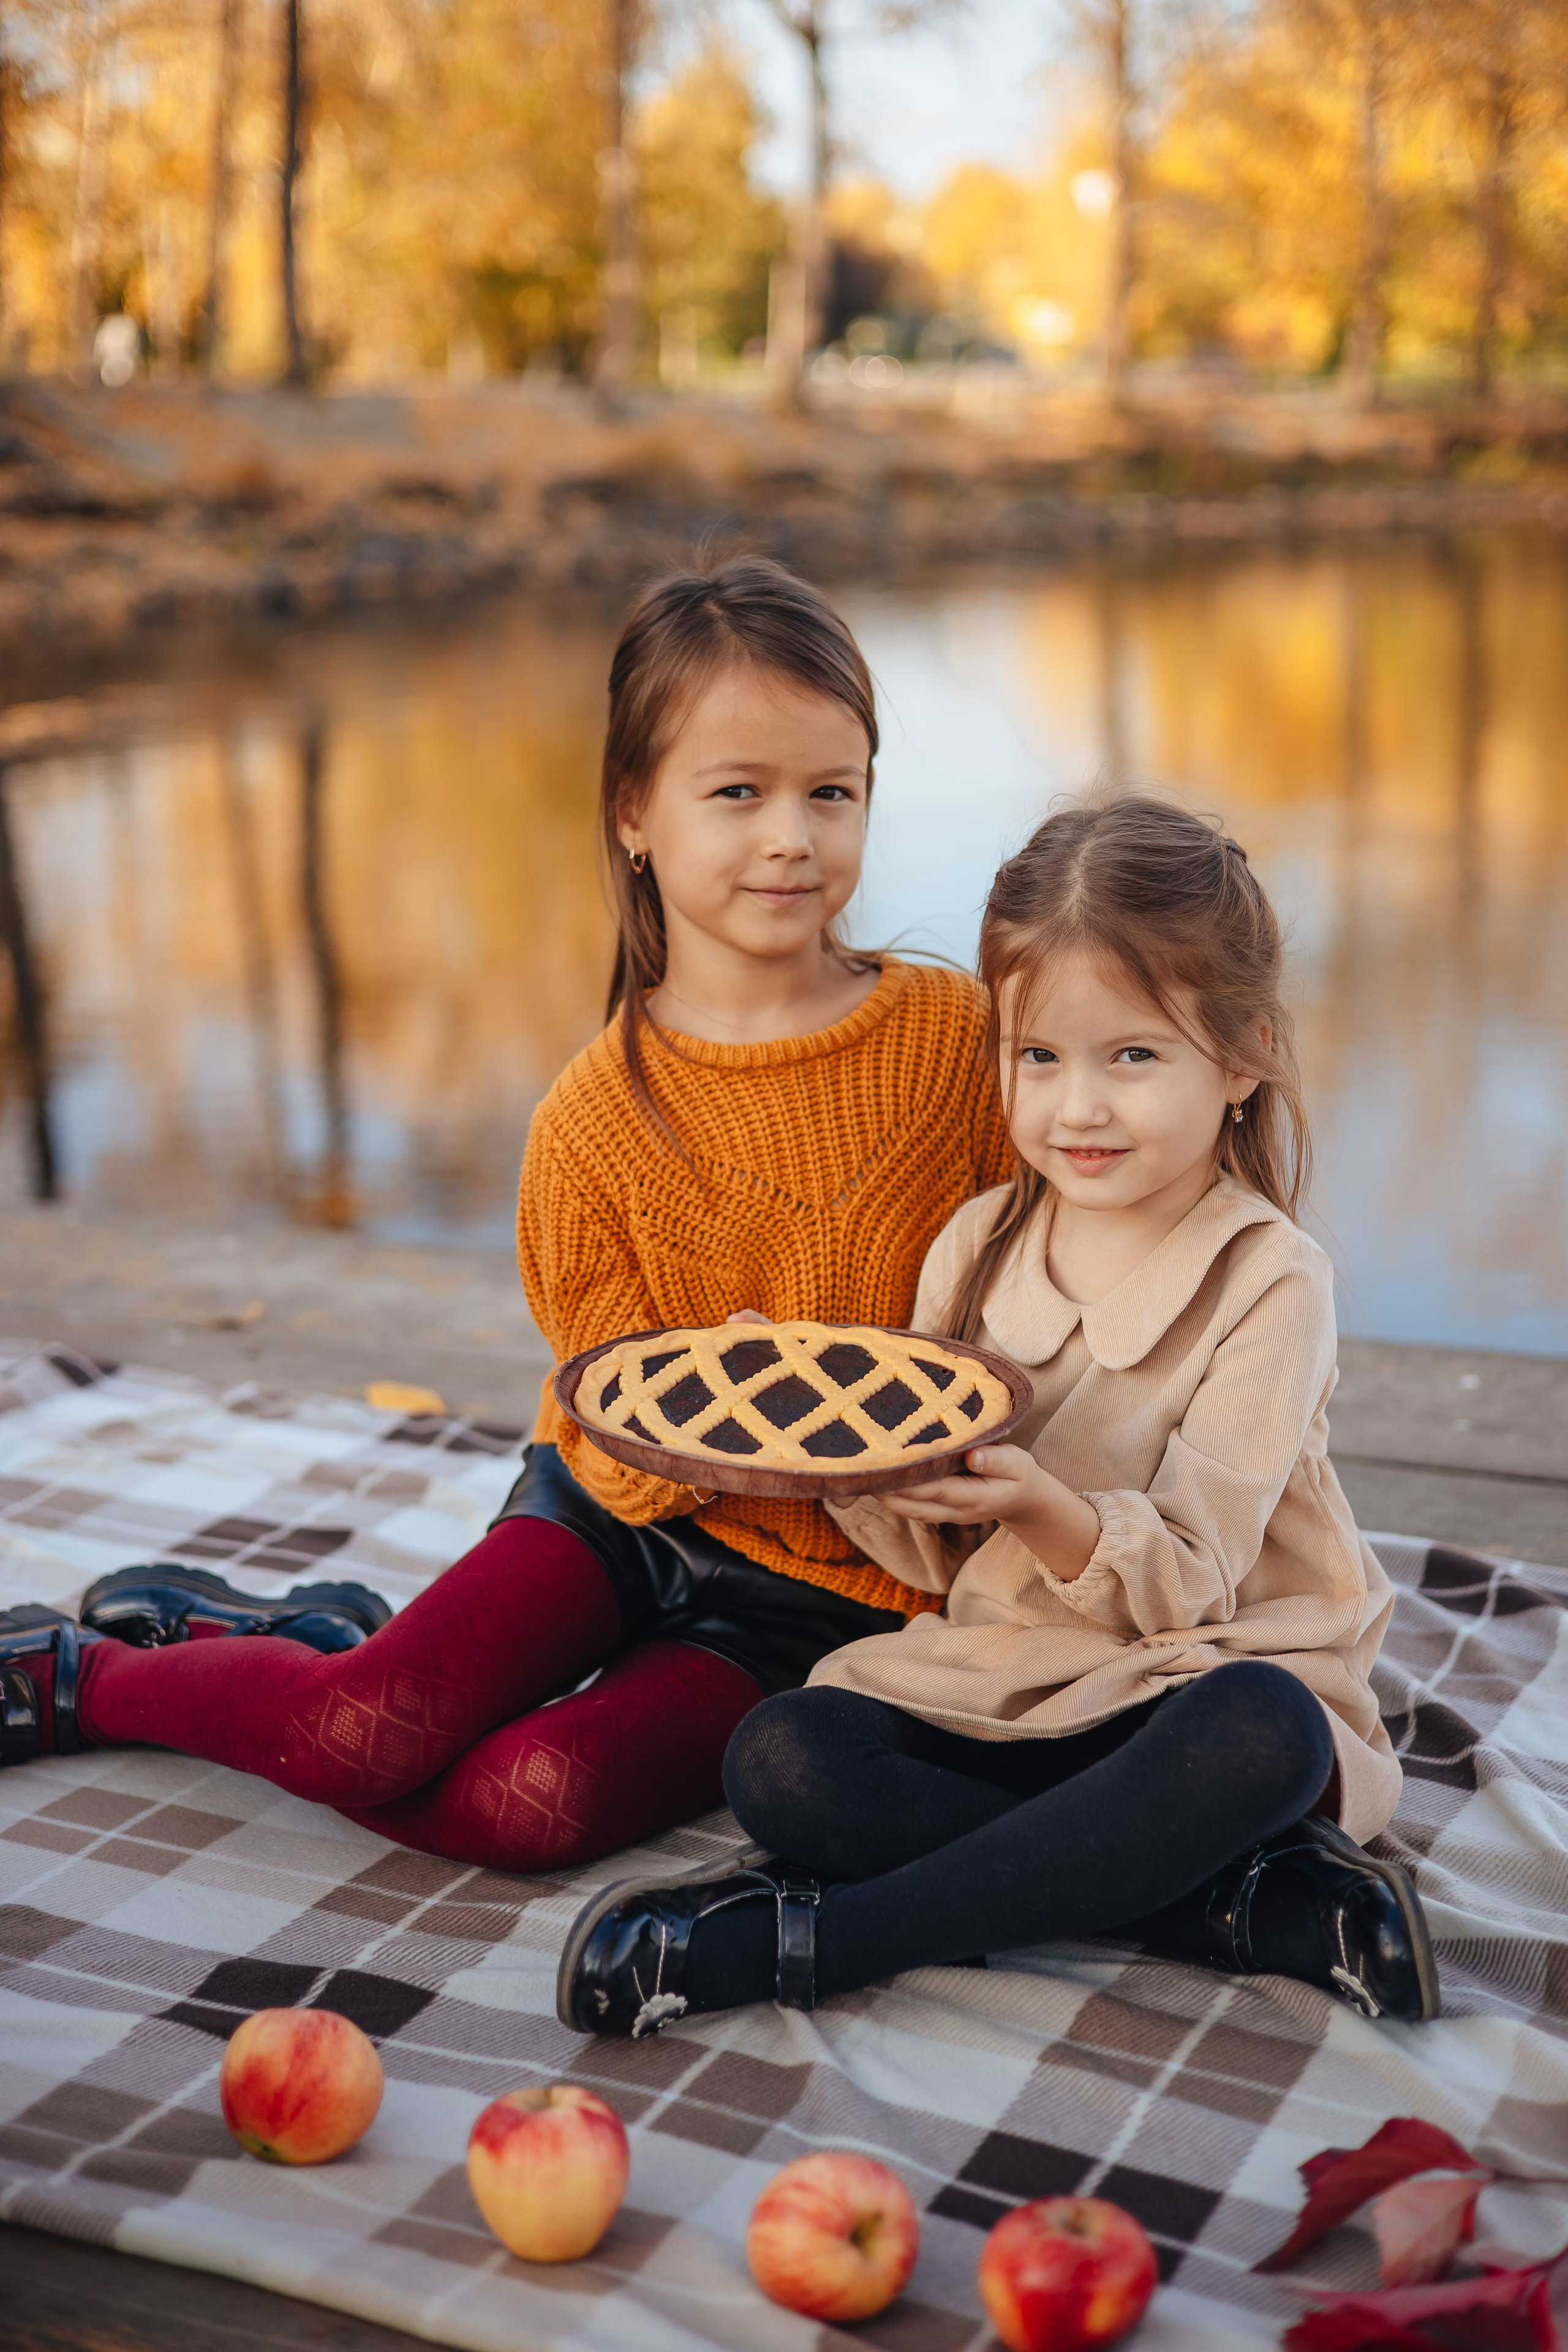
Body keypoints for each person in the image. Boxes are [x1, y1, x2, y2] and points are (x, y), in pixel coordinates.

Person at [0, 559, 1009, 1872]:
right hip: (612, 1518)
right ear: (634, 811)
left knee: (527, 1805)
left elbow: (1041, 1295)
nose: (791, 837)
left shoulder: (959, 1046)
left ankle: (305, 1645)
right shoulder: (592, 1120)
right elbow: (609, 1412)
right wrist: (727, 1402)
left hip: (823, 1597)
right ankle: (82, 1677)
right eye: (737, 794)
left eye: (832, 792)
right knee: (365, 1733)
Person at [557, 794, 1439, 2038]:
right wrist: (839, 1448)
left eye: (1130, 1056)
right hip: (1008, 1680)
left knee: (1263, 1737)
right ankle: (1234, 1907)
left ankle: (818, 1944)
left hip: (1185, 1679)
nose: (1076, 1108)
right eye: (1039, 1057)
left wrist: (1043, 1505)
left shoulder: (1267, 1279)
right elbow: (935, 1552)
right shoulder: (977, 1246)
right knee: (783, 1756)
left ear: (1240, 1057)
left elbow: (1193, 1580)